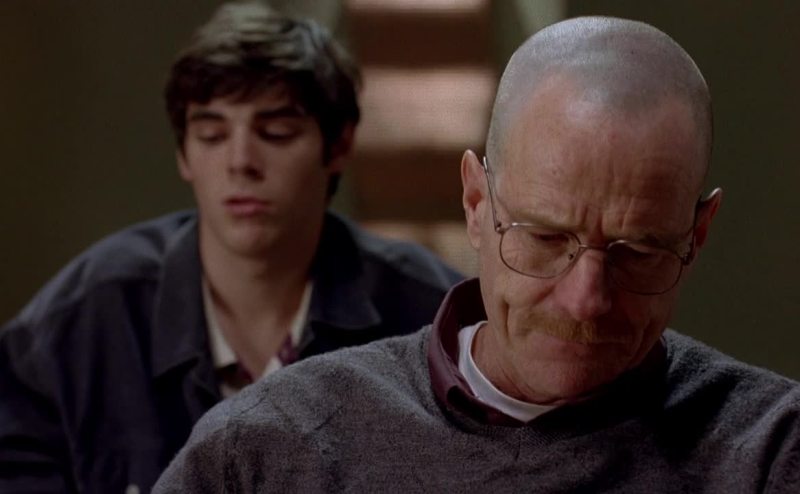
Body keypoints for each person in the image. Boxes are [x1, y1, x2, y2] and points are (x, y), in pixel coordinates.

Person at [154, 15, 800, 493]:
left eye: (638, 252)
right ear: (475, 203)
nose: (586, 300)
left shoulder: (771, 450)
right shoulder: (271, 447)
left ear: (698, 233)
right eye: (545, 238)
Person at [0, 2, 462, 493]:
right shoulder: (91, 314)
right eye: (212, 134)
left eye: (276, 133)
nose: (240, 161)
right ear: (183, 154)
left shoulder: (428, 314)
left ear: (339, 146)